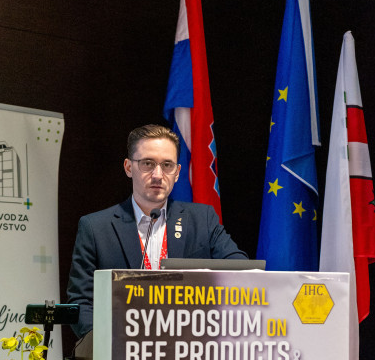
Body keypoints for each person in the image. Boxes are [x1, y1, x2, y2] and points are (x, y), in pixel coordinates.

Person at [67, 124, 248, 338]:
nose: (158, 175)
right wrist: (106, 344)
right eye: (148, 164)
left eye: (167, 165)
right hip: (121, 348)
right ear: (128, 167)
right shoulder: (96, 227)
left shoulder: (202, 220)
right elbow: (80, 303)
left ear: (177, 173)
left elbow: (242, 272)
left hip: (190, 346)